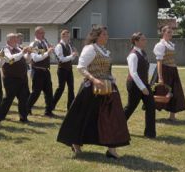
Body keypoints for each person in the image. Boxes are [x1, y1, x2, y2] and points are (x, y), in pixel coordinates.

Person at [57, 26, 130, 159]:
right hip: (91, 88)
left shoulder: (105, 51)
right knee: (83, 116)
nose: (106, 36)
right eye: (104, 34)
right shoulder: (90, 49)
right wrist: (94, 79)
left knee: (113, 117)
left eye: (106, 34)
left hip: (108, 87)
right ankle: (76, 144)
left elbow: (107, 69)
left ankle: (112, 149)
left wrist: (111, 78)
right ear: (96, 36)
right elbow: (81, 67)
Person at [123, 32, 156, 138]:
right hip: (134, 85)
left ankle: (150, 134)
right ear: (136, 41)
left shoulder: (143, 52)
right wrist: (142, 88)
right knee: (131, 107)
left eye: (145, 39)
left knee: (151, 106)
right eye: (143, 39)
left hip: (144, 84)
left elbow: (146, 68)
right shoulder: (133, 55)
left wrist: (151, 80)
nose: (145, 41)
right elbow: (133, 73)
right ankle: (116, 125)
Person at [153, 26, 185, 121]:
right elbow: (159, 61)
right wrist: (160, 77)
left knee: (175, 92)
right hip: (164, 70)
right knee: (159, 92)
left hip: (173, 70)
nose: (170, 34)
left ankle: (172, 116)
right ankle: (152, 115)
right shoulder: (160, 45)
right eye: (168, 32)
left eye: (171, 32)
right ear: (163, 33)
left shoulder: (171, 44)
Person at [0, 33, 32, 123]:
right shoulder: (5, 49)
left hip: (22, 78)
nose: (16, 40)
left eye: (16, 39)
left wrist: (28, 54)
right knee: (9, 99)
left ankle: (23, 118)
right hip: (11, 78)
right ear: (8, 41)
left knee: (23, 98)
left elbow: (27, 60)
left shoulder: (18, 48)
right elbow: (10, 60)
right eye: (14, 39)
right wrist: (22, 53)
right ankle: (0, 116)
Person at [27, 26, 55, 117]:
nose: (43, 35)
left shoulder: (45, 42)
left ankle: (48, 111)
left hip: (46, 71)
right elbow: (35, 58)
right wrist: (47, 53)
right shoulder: (33, 44)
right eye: (41, 33)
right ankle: (26, 109)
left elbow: (48, 55)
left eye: (44, 33)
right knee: (36, 92)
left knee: (49, 92)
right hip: (37, 71)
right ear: (36, 34)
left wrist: (50, 50)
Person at [52, 29, 78, 110]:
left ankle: (70, 107)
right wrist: (71, 56)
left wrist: (74, 55)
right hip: (62, 70)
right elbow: (61, 59)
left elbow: (70, 59)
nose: (68, 38)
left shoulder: (69, 45)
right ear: (62, 36)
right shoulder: (59, 46)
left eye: (68, 36)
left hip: (69, 69)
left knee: (71, 88)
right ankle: (51, 105)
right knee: (61, 88)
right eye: (66, 36)